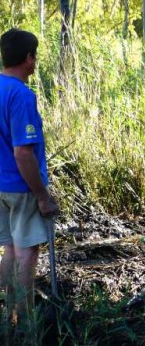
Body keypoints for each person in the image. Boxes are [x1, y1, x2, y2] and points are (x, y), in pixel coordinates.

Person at [0, 28, 59, 326]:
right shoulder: (21, 95)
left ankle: (6, 313)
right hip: (21, 188)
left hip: (0, 187)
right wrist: (42, 196)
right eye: (34, 56)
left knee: (9, 248)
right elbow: (23, 153)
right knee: (26, 252)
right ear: (28, 58)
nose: (35, 63)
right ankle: (24, 319)